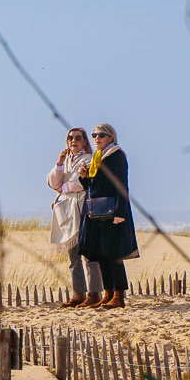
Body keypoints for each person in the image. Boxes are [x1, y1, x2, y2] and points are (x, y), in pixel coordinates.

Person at [79, 122, 137, 307]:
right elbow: (93, 188)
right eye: (94, 135)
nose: (96, 138)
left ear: (110, 137)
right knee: (102, 253)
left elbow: (121, 184)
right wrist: (84, 176)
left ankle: (118, 297)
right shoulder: (97, 157)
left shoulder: (116, 155)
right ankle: (108, 293)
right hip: (97, 212)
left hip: (113, 211)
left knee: (114, 254)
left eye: (101, 135)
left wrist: (120, 212)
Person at [48, 128, 106, 306]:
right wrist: (59, 164)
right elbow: (53, 182)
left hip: (81, 207)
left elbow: (78, 183)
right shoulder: (65, 161)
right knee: (73, 256)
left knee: (89, 252)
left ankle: (95, 293)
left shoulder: (88, 159)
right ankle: (78, 294)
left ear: (84, 141)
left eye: (78, 138)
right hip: (66, 210)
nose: (74, 140)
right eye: (70, 138)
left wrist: (63, 187)